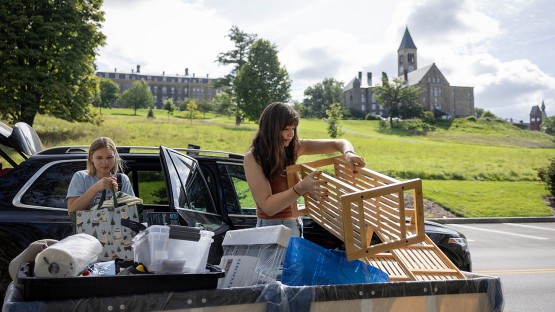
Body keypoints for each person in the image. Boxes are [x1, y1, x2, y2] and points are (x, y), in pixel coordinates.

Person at [244, 102, 365, 237]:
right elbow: (269, 207)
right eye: (286, 129)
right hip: (270, 230)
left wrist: (348, 153)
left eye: (293, 128)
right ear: (271, 129)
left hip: (295, 224)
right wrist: (302, 187)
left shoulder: (293, 148)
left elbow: (339, 143)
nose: (291, 134)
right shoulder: (253, 158)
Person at [67, 137, 134, 213]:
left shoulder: (122, 179)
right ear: (91, 158)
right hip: (88, 225)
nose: (105, 162)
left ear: (115, 157)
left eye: (109, 157)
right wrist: (96, 188)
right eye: (99, 158)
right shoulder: (80, 177)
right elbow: (72, 211)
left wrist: (118, 194)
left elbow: (133, 212)